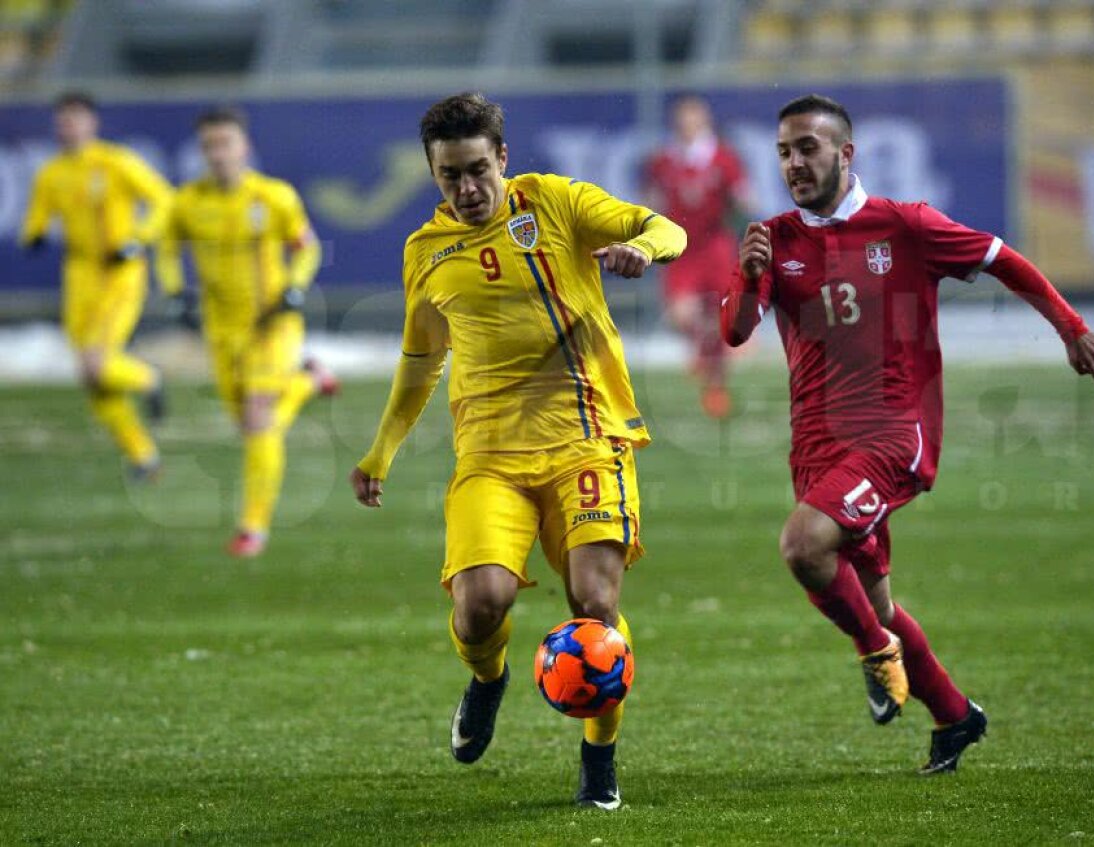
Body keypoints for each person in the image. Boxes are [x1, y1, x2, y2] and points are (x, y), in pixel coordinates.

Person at [722, 94, 1094, 774]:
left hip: (892, 435)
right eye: (784, 152)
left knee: (802, 545)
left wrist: (1071, 328)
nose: (794, 162)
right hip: (818, 446)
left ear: (846, 154)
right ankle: (954, 715)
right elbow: (736, 331)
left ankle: (875, 653)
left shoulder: (905, 226)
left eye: (808, 148)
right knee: (873, 596)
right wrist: (749, 270)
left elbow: (1004, 259)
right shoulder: (775, 238)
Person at [349, 92, 685, 809]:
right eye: (449, 176)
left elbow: (666, 226)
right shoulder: (425, 253)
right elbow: (419, 361)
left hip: (587, 439)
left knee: (595, 604)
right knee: (480, 604)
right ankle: (489, 676)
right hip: (491, 456)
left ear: (503, 158)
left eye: (478, 169)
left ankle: (600, 760)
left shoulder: (556, 203)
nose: (467, 189)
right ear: (432, 174)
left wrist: (642, 249)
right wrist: (381, 450)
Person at [156, 106, 338, 559]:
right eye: (210, 146)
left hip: (272, 324)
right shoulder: (187, 202)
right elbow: (165, 248)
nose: (218, 154)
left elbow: (306, 248)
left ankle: (252, 528)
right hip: (222, 330)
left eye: (226, 144)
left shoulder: (273, 197)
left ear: (245, 147)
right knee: (254, 425)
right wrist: (176, 292)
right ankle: (309, 381)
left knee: (259, 418)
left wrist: (295, 289)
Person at [20, 91, 172, 479]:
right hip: (79, 279)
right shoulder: (51, 173)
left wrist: (137, 238)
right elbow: (36, 219)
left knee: (97, 363)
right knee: (91, 379)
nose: (67, 126)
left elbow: (163, 201)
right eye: (62, 120)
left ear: (92, 123)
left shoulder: (115, 161)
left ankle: (148, 378)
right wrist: (33, 235)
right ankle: (143, 456)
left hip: (120, 274)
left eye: (75, 118)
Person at [644, 95, 754, 418]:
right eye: (682, 120)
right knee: (681, 315)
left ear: (704, 122)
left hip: (715, 245)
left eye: (693, 119)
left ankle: (716, 389)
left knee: (723, 320)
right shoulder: (663, 161)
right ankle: (702, 352)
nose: (687, 126)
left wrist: (742, 206)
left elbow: (743, 198)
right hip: (681, 248)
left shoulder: (723, 158)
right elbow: (651, 198)